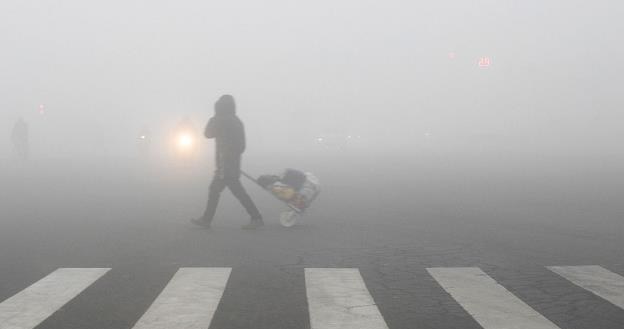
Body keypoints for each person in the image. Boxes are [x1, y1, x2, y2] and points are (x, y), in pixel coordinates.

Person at [191, 95, 263, 229]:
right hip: (232, 164)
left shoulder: (221, 120)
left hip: (225, 165)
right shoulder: (236, 121)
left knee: (218, 190)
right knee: (234, 191)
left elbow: (207, 134)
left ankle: (207, 220)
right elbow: (242, 146)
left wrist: (213, 117)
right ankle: (256, 217)